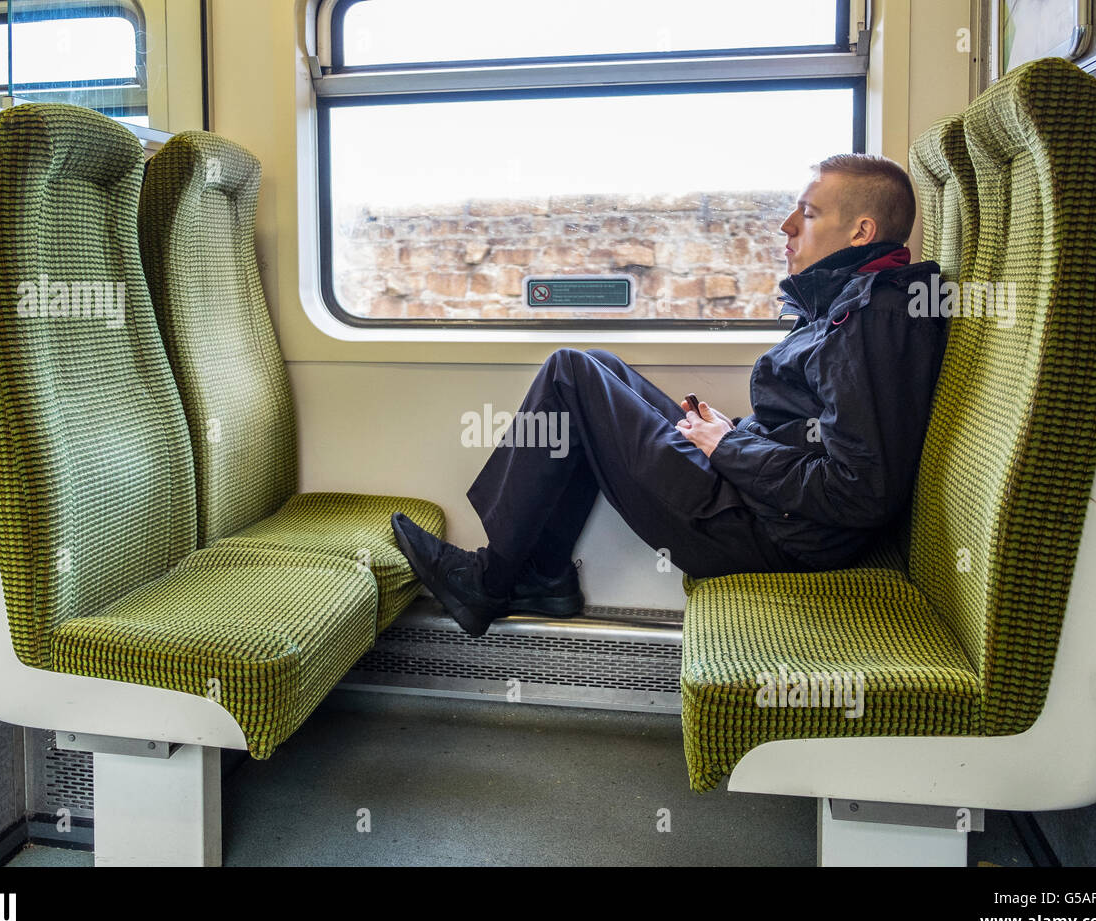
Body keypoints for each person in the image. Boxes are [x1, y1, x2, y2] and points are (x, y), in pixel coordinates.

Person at [392, 153, 949, 638]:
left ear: (860, 232)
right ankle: (542, 576)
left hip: (776, 536)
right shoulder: (850, 304)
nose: (785, 226)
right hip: (766, 503)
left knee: (570, 375)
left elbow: (859, 490)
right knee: (599, 369)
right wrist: (733, 434)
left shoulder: (874, 319)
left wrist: (728, 450)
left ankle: (489, 582)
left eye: (807, 214)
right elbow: (811, 431)